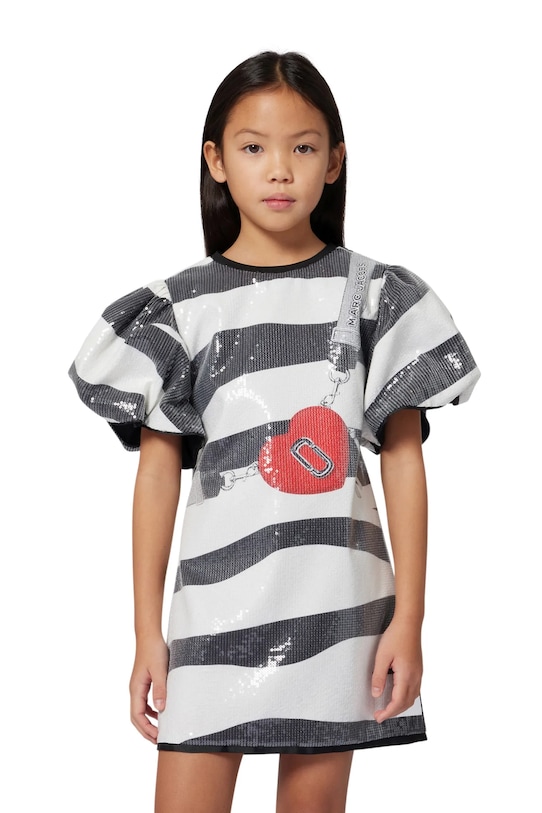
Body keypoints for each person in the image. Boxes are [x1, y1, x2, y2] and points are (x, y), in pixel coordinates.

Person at [69, 51, 480, 813]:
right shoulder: (177, 311)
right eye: (254, 147)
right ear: (216, 161)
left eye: (304, 146)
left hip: (338, 606)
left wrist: (410, 618)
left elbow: (403, 461)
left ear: (335, 162)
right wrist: (147, 632)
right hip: (213, 607)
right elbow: (156, 476)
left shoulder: (375, 295)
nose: (281, 169)